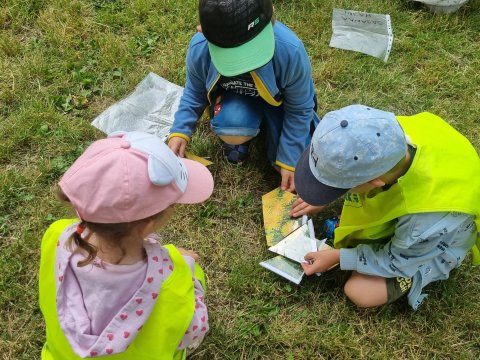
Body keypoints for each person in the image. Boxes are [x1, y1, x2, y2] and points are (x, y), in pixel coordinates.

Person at [39, 131, 214, 359]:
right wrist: (185, 266)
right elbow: (194, 331)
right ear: (146, 226)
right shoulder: (172, 282)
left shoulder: (55, 235)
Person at [291, 105, 480, 310]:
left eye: (337, 188)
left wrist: (338, 257)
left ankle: (413, 276)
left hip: (430, 245)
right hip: (417, 218)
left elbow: (396, 259)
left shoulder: (425, 219)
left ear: (375, 182)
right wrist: (324, 194)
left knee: (360, 291)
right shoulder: (383, 133)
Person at [168, 0, 319, 192]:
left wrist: (289, 159)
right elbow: (194, 91)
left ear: (272, 17)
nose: (244, 64)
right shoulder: (199, 49)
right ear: (202, 31)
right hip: (237, 102)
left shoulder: (290, 51)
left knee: (293, 166)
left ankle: (273, 134)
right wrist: (180, 130)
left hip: (280, 105)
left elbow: (299, 108)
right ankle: (242, 135)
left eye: (250, 50)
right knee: (232, 126)